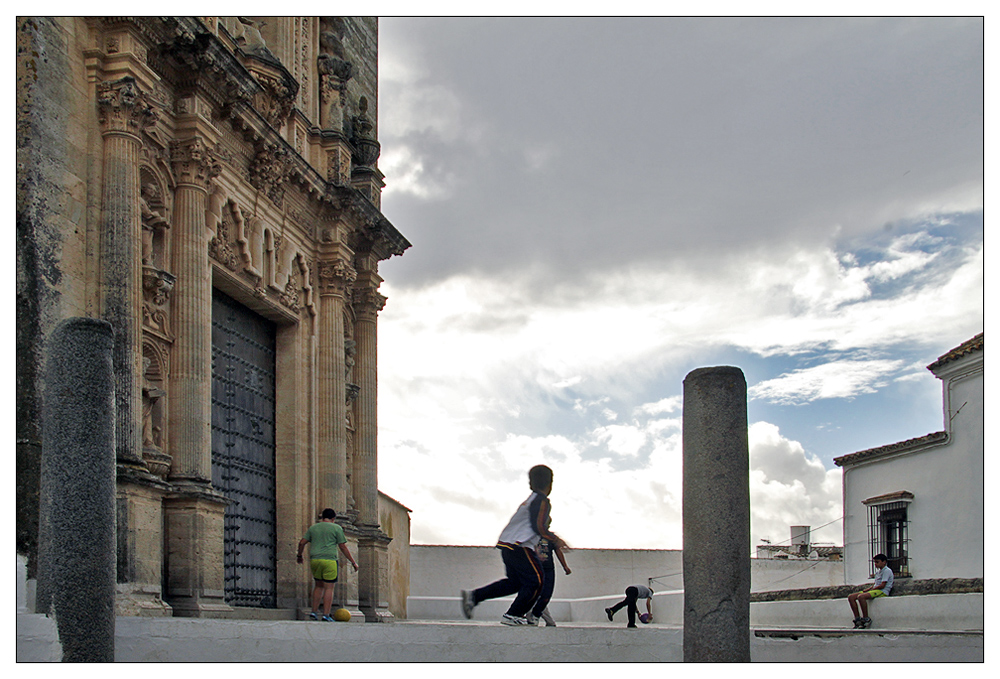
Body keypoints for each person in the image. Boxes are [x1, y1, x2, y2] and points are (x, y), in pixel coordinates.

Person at [461, 465, 568, 626]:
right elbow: (538, 526)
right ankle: (514, 614)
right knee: (537, 581)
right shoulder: (542, 501)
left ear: (531, 483)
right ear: (550, 484)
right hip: (520, 546)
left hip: (508, 546)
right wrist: (555, 539)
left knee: (516, 583)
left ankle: (475, 596)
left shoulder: (531, 499)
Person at [297, 508, 358, 621]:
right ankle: (326, 614)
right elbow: (342, 546)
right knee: (329, 588)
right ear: (333, 518)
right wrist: (353, 562)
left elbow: (302, 542)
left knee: (318, 585)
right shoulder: (336, 528)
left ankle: (314, 612)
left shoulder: (313, 528)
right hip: (330, 560)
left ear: (322, 517)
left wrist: (299, 556)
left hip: (315, 560)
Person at [528, 520, 572, 626]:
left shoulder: (550, 537)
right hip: (535, 568)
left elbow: (558, 550)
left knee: (546, 595)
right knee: (534, 593)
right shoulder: (531, 535)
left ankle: (536, 614)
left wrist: (565, 566)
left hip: (548, 569)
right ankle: (533, 616)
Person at [848, 553, 894, 629]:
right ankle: (857, 619)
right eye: (875, 562)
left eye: (877, 562)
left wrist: (871, 590)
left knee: (861, 597)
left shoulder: (887, 571)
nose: (875, 564)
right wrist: (868, 589)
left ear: (884, 562)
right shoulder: (878, 572)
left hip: (882, 591)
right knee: (851, 597)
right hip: (875, 590)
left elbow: (882, 585)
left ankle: (866, 618)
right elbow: (876, 584)